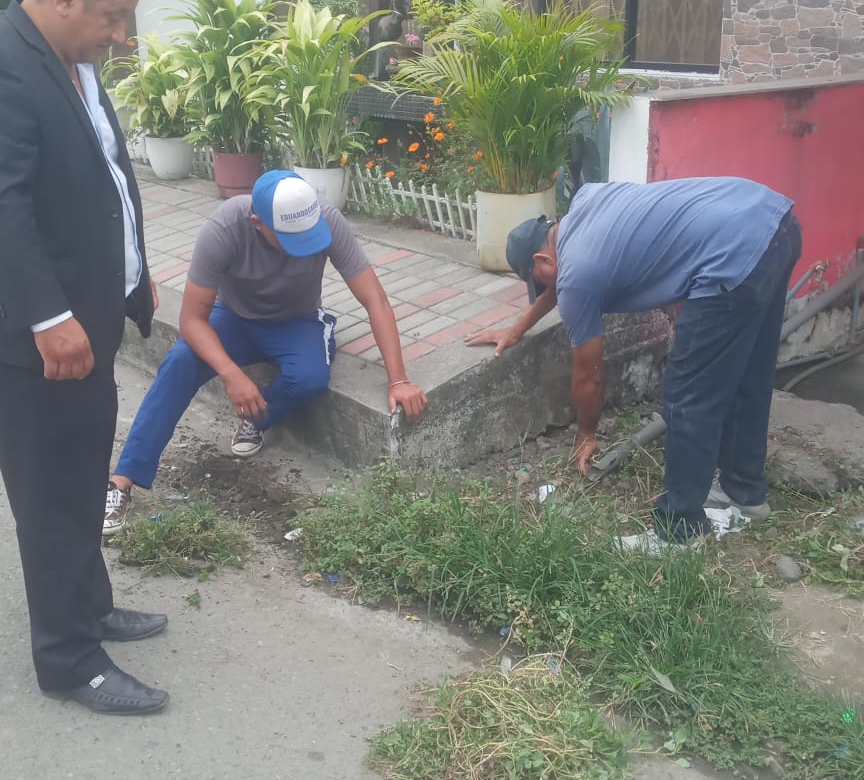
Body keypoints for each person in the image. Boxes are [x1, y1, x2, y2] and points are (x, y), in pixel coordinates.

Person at [0, 0, 171, 715]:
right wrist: (47, 314)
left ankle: (90, 606)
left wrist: (133, 271)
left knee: (82, 475)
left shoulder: (74, 60)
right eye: (112, 16)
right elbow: (5, 206)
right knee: (52, 498)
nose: (121, 35)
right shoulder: (9, 64)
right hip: (42, 340)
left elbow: (105, 171)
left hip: (90, 319)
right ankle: (68, 659)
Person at [467, 177, 802, 543]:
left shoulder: (576, 274)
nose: (549, 291)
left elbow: (589, 377)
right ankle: (744, 495)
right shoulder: (586, 203)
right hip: (773, 225)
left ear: (542, 258)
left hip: (732, 258)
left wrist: (587, 434)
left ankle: (679, 533)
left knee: (686, 395)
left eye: (540, 281)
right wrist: (516, 329)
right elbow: (565, 279)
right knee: (749, 373)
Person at [104, 170, 428, 533]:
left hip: (297, 320)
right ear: (258, 223)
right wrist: (232, 376)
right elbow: (192, 320)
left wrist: (398, 380)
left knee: (310, 377)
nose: (304, 245)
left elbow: (375, 301)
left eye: (309, 236)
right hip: (232, 318)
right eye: (292, 239)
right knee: (179, 361)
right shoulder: (225, 228)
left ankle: (256, 419)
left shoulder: (327, 219)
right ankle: (122, 480)